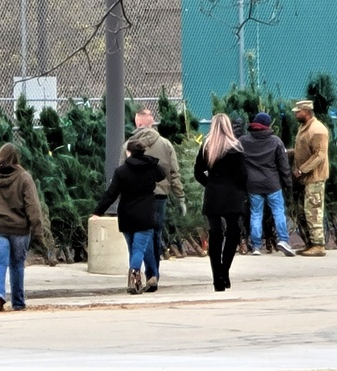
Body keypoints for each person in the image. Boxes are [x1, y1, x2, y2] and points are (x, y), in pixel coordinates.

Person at [0, 143, 44, 311]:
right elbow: (33, 206)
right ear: (16, 158)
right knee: (17, 264)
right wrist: (37, 230)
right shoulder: (24, 178)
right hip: (19, 229)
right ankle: (18, 302)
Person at [92, 139, 166, 294]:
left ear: (128, 152)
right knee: (141, 248)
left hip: (126, 214)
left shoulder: (121, 171)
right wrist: (150, 160)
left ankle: (144, 277)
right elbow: (162, 175)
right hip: (145, 214)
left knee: (135, 248)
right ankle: (142, 278)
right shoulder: (151, 167)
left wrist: (98, 211)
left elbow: (111, 194)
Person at [124, 105, 183, 292]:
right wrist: (180, 196)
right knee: (154, 235)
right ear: (151, 122)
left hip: (135, 199)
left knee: (137, 238)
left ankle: (138, 274)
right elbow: (174, 173)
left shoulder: (127, 146)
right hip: (159, 197)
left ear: (138, 122)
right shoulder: (165, 144)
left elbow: (120, 173)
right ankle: (153, 274)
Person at [193, 113, 248, 292]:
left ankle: (217, 278)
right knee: (233, 231)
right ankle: (225, 271)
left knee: (215, 233)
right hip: (232, 194)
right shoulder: (236, 147)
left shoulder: (207, 146)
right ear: (228, 126)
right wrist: (240, 190)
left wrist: (210, 184)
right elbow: (243, 175)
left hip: (214, 194)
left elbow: (198, 172)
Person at [239, 112, 295, 257]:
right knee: (278, 211)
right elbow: (283, 165)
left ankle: (256, 246)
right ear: (268, 125)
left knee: (256, 214)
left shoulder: (244, 141)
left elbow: (238, 162)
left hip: (253, 184)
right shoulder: (275, 141)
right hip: (272, 183)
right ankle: (283, 240)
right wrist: (288, 183)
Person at [291, 100, 329, 257]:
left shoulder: (318, 130)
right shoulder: (304, 128)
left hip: (314, 177)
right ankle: (310, 243)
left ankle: (318, 245)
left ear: (306, 111)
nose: (295, 114)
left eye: (298, 112)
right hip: (305, 178)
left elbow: (320, 155)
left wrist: (302, 170)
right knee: (304, 211)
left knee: (313, 210)